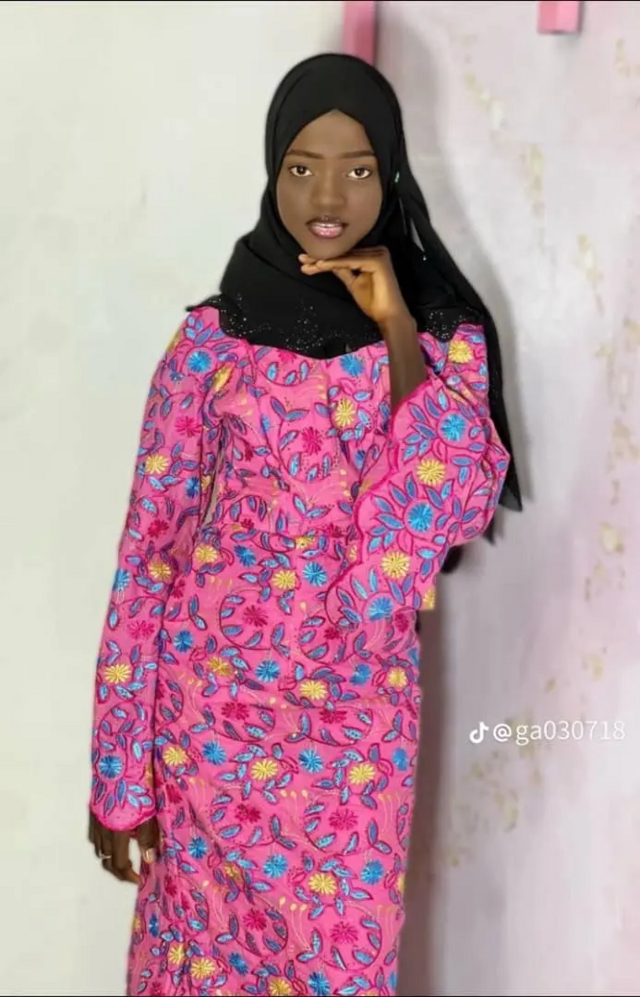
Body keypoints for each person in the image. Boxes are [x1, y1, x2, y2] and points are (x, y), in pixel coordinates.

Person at [88, 53, 520, 997]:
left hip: (354, 730)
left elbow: (443, 510)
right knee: (199, 966)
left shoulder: (443, 341)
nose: (328, 196)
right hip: (206, 728)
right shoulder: (210, 343)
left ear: (391, 172)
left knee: (341, 964)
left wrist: (396, 326)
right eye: (302, 167)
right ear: (272, 169)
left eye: (358, 168)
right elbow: (149, 558)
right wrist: (119, 777)